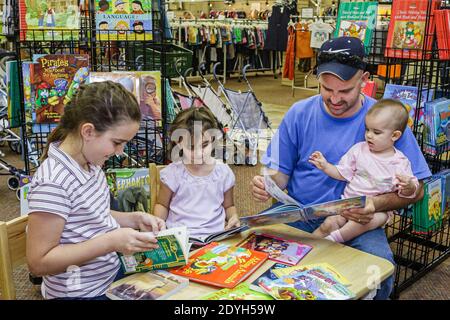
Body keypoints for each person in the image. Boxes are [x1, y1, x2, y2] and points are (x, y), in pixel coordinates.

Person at [251, 36, 431, 300]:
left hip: (358, 221)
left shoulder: (386, 119)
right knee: (252, 257)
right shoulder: (299, 113)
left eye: (344, 90)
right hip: (299, 212)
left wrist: (374, 205)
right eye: (326, 88)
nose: (334, 99)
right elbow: (279, 173)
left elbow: (418, 190)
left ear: (364, 80)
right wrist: (266, 183)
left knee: (378, 274)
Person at [26, 81, 166, 300]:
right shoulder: (52, 182)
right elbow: (39, 262)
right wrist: (111, 242)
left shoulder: (89, 162)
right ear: (88, 131)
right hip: (80, 292)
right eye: (117, 142)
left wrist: (134, 219)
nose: (120, 152)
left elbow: (87, 215)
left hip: (109, 275)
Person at [308, 99, 419, 243]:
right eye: (367, 129)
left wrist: (409, 186)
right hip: (349, 205)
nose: (369, 135)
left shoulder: (399, 162)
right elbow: (342, 173)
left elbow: (411, 192)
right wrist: (325, 166)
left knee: (366, 222)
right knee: (328, 223)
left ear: (395, 136)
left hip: (377, 211)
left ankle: (334, 240)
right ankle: (307, 246)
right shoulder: (359, 150)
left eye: (376, 132)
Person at [154, 107, 240, 240]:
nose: (199, 153)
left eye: (204, 145)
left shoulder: (223, 172)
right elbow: (162, 205)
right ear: (178, 142)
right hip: (180, 238)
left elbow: (229, 206)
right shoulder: (173, 174)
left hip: (216, 238)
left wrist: (233, 217)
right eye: (191, 147)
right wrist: (159, 227)